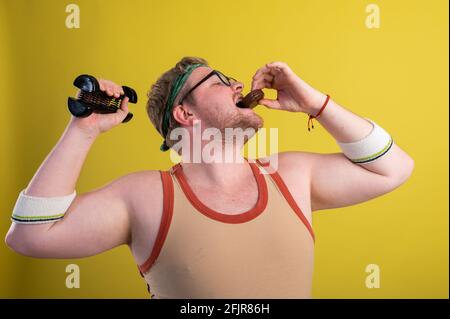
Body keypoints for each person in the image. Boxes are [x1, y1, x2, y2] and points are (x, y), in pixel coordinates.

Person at [5, 57, 414, 299]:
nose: (238, 83)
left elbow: (395, 167)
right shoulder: (147, 196)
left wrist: (315, 103)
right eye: (219, 81)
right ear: (186, 114)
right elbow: (29, 236)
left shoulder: (290, 176)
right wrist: (84, 129)